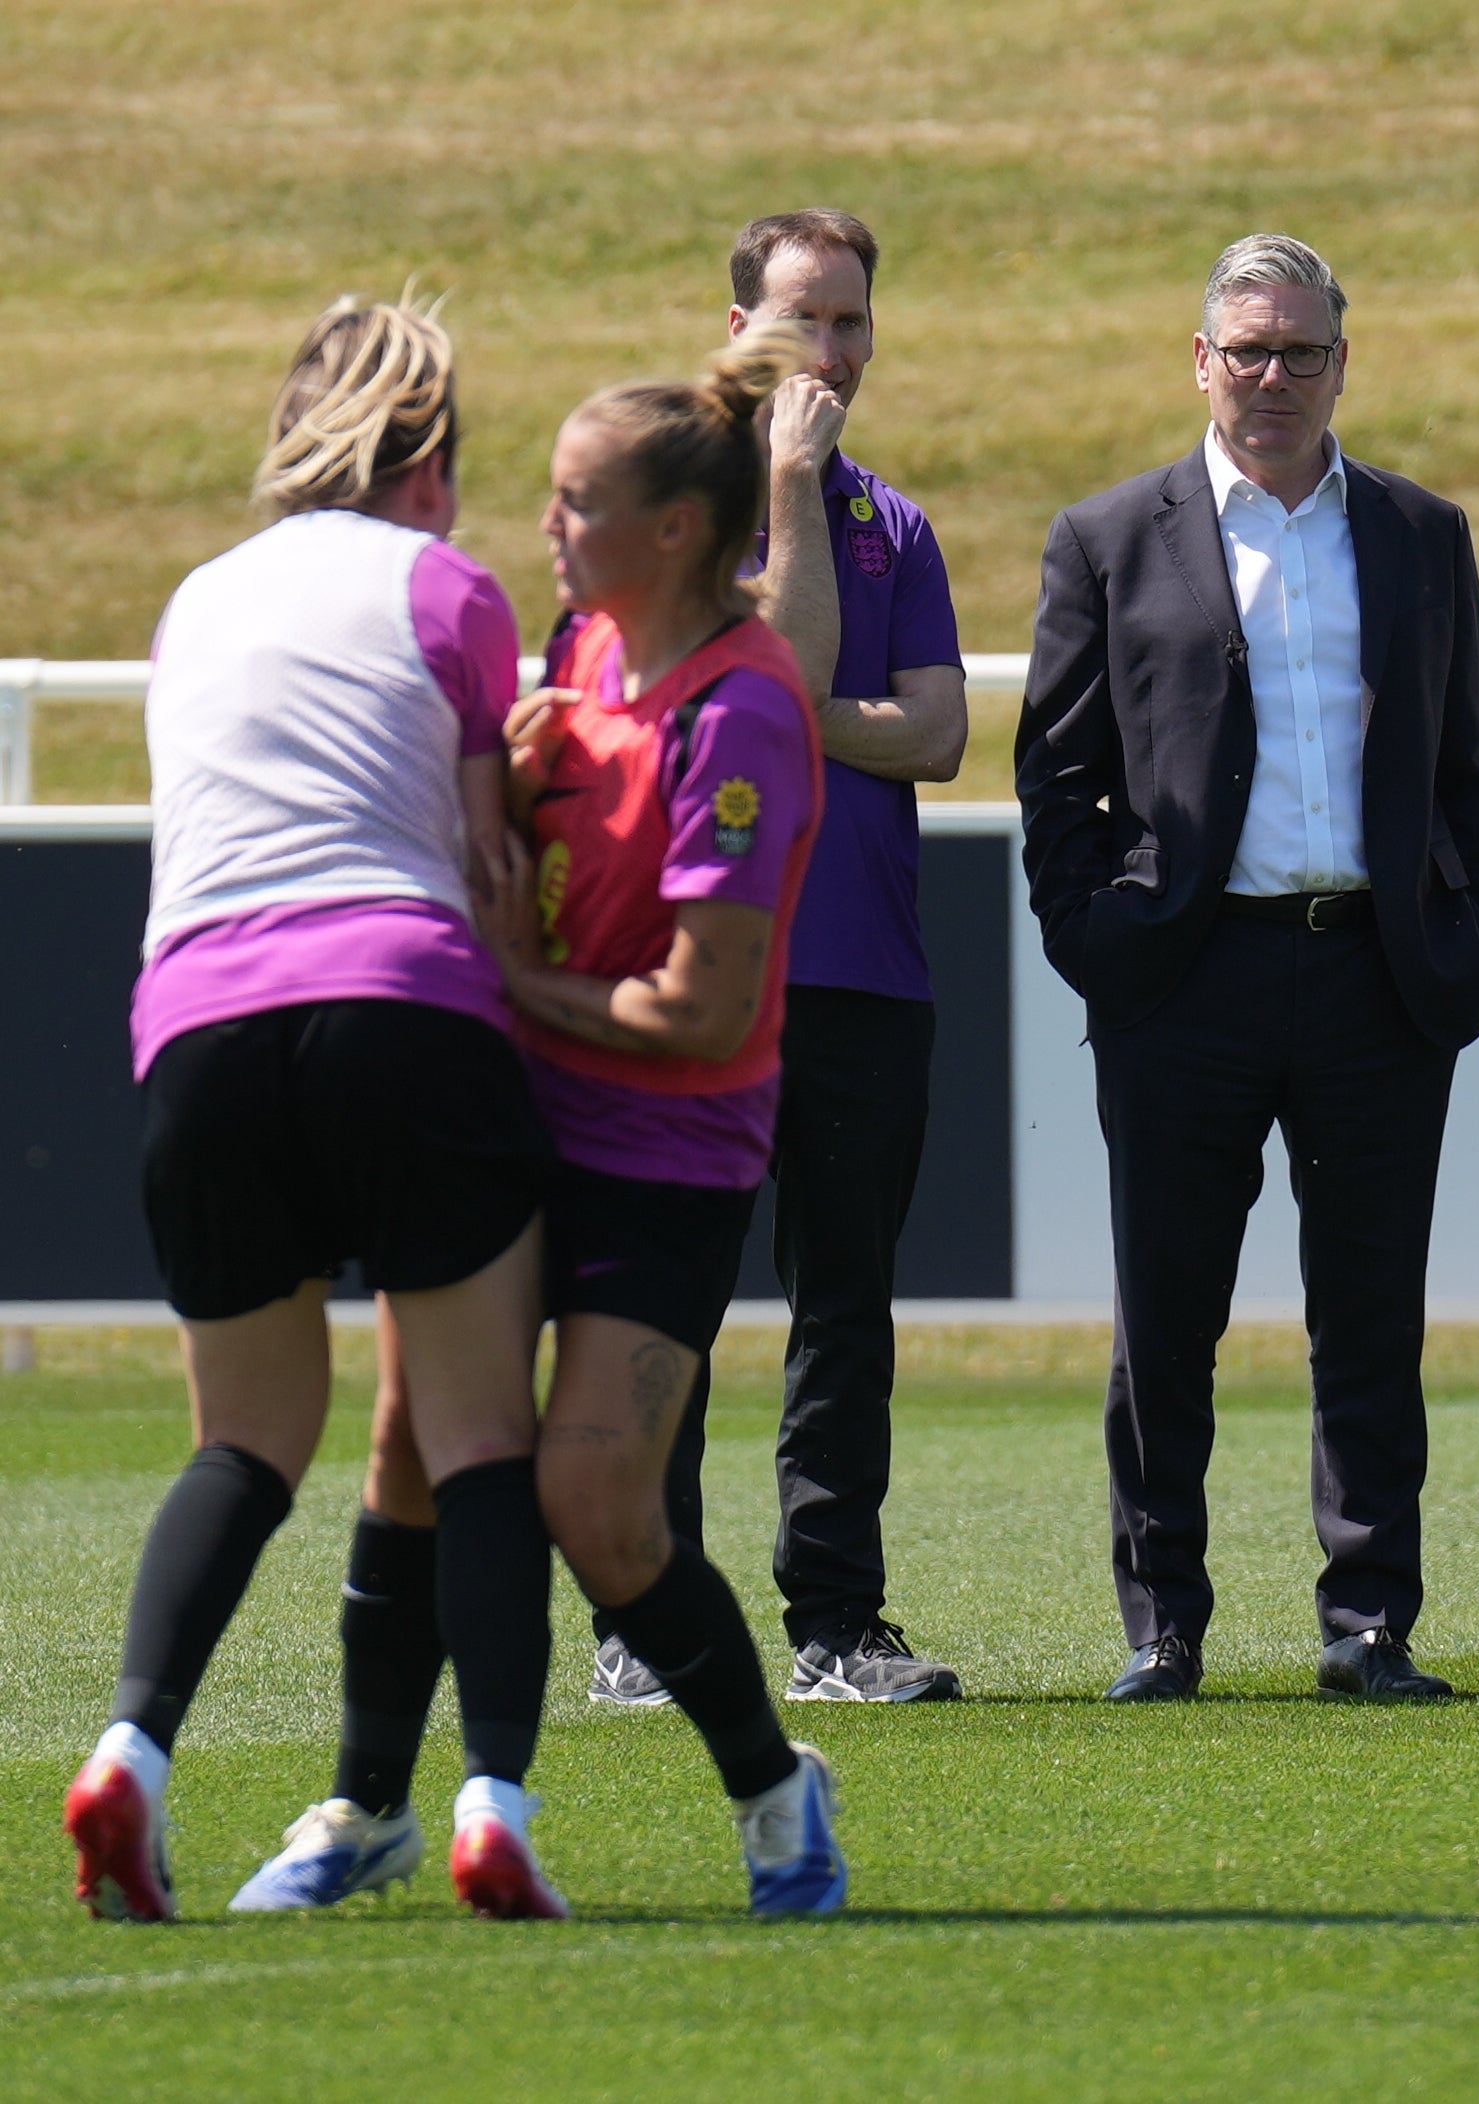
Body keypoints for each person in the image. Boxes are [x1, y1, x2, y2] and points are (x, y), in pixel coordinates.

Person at [334, 324, 847, 1913]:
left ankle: (774, 1791)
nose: (544, 530)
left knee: (596, 1507)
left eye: (573, 504)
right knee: (414, 1446)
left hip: (663, 1150)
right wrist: (504, 758)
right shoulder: (585, 648)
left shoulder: (744, 711)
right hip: (510, 1124)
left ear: (675, 530)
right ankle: (362, 1811)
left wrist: (507, 974)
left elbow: (697, 1009)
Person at [66, 296, 558, 1920]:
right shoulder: (450, 588)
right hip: (401, 1008)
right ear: (429, 460)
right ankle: (490, 1801)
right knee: (480, 1438)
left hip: (198, 1029)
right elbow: (491, 855)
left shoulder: (195, 600)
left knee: (247, 1440)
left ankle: (132, 1752)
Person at [1016, 234, 1479, 1703]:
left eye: (1303, 351)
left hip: (1377, 976)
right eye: (1249, 349)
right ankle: (1162, 1622)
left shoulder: (1423, 533)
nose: (1275, 377)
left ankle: (1370, 1626)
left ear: (1342, 364)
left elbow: (1467, 767)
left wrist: (1469, 926)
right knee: (1166, 1320)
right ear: (1200, 360)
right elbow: (1059, 779)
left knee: (1369, 1320)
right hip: (1185, 981)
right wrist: (1099, 944)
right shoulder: (1109, 537)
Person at [590, 208, 970, 1710]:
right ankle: (643, 1620)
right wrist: (793, 486)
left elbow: (937, 733)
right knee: (669, 1303)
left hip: (865, 971)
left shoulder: (898, 524)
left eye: (855, 322)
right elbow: (808, 679)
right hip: (699, 967)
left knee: (844, 1315)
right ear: (735, 323)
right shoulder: (666, 506)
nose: (834, 353)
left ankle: (837, 1625)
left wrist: (785, 707)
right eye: (805, 320)